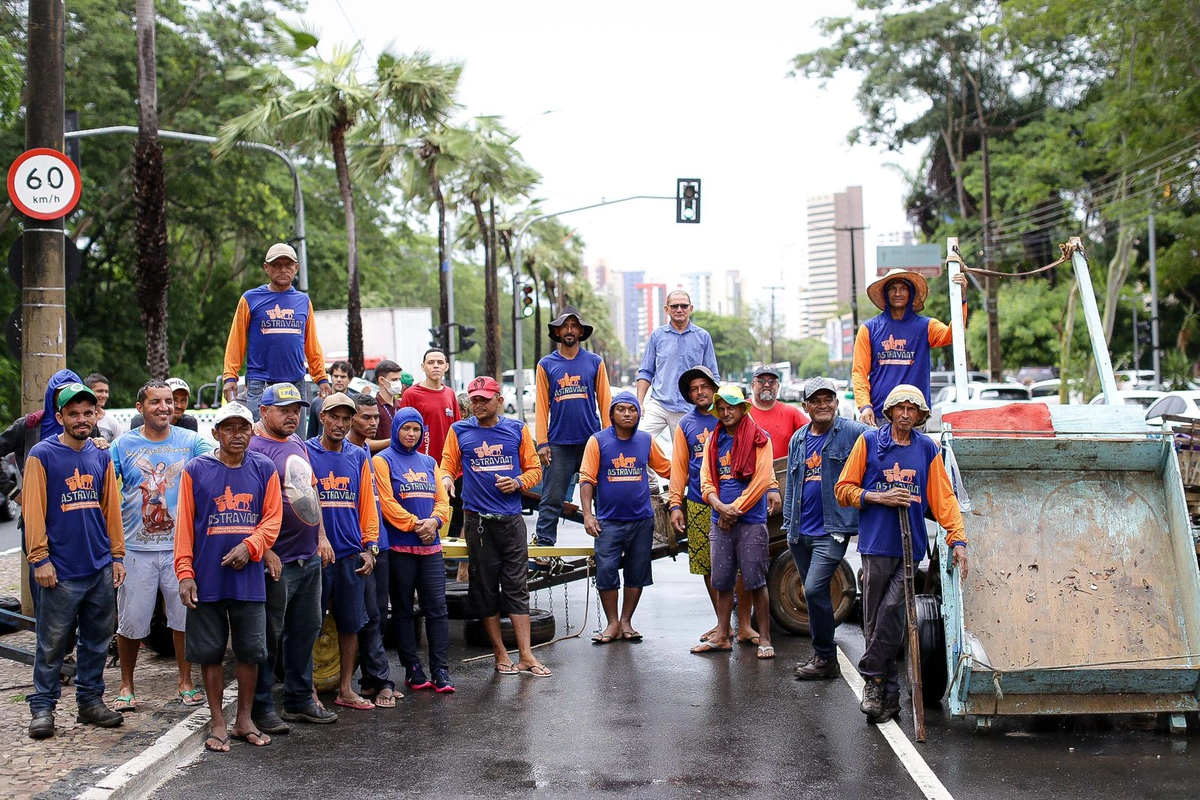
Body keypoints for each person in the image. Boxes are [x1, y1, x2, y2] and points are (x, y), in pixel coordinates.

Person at [835, 384, 968, 723]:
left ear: (920, 416)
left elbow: (944, 499)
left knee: (892, 612)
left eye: (913, 409)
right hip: (877, 544)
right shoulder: (868, 443)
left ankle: (871, 675)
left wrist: (958, 540)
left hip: (911, 548)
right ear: (891, 412)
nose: (906, 414)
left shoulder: (927, 449)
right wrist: (879, 497)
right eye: (901, 408)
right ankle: (888, 695)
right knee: (876, 620)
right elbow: (843, 490)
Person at [174, 401, 282, 752]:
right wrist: (185, 572)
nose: (237, 435)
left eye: (244, 428)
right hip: (206, 576)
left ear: (253, 431)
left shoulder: (264, 468)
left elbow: (272, 520)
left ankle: (244, 718)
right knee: (209, 652)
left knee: (251, 650)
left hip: (248, 577)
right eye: (229, 428)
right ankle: (218, 720)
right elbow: (185, 526)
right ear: (215, 432)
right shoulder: (195, 469)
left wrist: (251, 547)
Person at [24, 382, 126, 739]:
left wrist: (116, 555)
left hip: (98, 565)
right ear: (60, 417)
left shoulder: (100, 455)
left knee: (96, 640)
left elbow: (110, 507)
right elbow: (33, 510)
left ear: (96, 415)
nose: (81, 419)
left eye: (87, 412)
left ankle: (90, 702)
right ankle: (43, 708)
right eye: (73, 413)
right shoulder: (42, 454)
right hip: (61, 569)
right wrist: (40, 559)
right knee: (51, 644)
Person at [111, 380, 215, 712]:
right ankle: (126, 685)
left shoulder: (190, 442)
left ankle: (185, 682)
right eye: (155, 402)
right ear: (140, 407)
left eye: (168, 401)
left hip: (178, 548)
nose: (164, 407)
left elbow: (216, 461)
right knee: (132, 622)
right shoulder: (122, 445)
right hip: (135, 549)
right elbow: (102, 483)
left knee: (183, 617)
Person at [440, 376, 549, 677]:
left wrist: (517, 482)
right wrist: (447, 479)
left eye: (484, 399)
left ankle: (526, 655)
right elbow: (447, 464)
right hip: (478, 523)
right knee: (485, 589)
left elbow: (535, 470)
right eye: (474, 399)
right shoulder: (459, 430)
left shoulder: (516, 429)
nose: (478, 404)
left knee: (517, 587)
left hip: (512, 521)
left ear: (499, 401)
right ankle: (500, 654)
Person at [248, 382, 337, 733]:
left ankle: (299, 699)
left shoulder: (297, 441)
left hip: (308, 555)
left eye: (296, 409)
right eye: (284, 410)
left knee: (306, 630)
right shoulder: (255, 449)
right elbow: (248, 509)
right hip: (277, 561)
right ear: (264, 412)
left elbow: (310, 490)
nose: (292, 415)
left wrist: (322, 536)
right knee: (268, 636)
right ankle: (261, 705)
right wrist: (266, 550)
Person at [783, 377, 868, 680]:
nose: (822, 405)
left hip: (831, 530)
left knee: (814, 588)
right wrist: (788, 527)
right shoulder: (799, 439)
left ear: (835, 402)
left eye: (827, 399)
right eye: (815, 401)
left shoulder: (853, 432)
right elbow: (793, 484)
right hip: (799, 533)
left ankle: (824, 656)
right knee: (813, 595)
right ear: (805, 406)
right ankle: (824, 657)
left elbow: (883, 443)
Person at [304, 392, 383, 711]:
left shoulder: (359, 455)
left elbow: (367, 504)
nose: (339, 424)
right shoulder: (304, 451)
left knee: (352, 624)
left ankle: (346, 689)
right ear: (321, 418)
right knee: (309, 623)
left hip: (351, 553)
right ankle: (306, 687)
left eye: (345, 418)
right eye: (333, 417)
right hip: (314, 555)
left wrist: (370, 547)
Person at [579, 392, 670, 643]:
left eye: (632, 409)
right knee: (606, 571)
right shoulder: (597, 441)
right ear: (611, 414)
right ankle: (612, 623)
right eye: (621, 409)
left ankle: (627, 621)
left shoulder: (645, 440)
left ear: (639, 414)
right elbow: (587, 479)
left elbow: (668, 469)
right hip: (608, 521)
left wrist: (696, 473)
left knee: (636, 571)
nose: (627, 413)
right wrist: (588, 515)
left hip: (642, 520)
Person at [374, 408, 454, 693]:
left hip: (430, 547)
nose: (411, 434)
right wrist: (415, 524)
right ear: (395, 429)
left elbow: (441, 501)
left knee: (437, 609)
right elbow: (386, 502)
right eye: (406, 428)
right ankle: (412, 668)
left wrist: (434, 521)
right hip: (399, 547)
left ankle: (440, 670)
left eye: (416, 429)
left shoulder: (429, 461)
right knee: (404, 609)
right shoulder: (381, 461)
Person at [693, 385, 775, 660]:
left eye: (732, 407)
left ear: (743, 409)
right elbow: (706, 479)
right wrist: (719, 506)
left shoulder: (759, 438)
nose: (727, 413)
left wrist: (733, 510)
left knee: (755, 581)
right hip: (720, 521)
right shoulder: (713, 441)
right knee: (723, 581)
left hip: (750, 521)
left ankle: (764, 637)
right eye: (722, 408)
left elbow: (762, 480)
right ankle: (722, 634)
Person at [222, 242, 332, 419]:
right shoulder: (250, 299)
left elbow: (311, 344)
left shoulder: (303, 301)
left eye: (287, 265)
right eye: (276, 265)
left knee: (295, 442)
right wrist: (230, 377)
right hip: (260, 384)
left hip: (295, 384)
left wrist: (321, 378)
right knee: (259, 441)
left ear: (296, 268)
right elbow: (236, 340)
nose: (282, 269)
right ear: (266, 267)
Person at [534, 305, 612, 550]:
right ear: (557, 332)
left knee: (603, 495)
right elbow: (541, 407)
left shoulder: (594, 362)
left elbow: (605, 401)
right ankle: (545, 546)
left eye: (574, 326)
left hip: (592, 442)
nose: (569, 330)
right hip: (558, 444)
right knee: (552, 498)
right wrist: (543, 443)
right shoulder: (546, 364)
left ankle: (607, 544)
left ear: (580, 331)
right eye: (564, 326)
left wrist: (610, 439)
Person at [852, 268, 968, 426]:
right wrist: (865, 406)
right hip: (880, 415)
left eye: (903, 288)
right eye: (892, 288)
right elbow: (859, 373)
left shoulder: (926, 326)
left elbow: (952, 335)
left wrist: (960, 300)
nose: (897, 293)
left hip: (915, 415)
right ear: (886, 294)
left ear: (911, 293)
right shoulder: (869, 329)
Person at [344, 392, 396, 704]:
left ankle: (369, 680)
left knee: (377, 614)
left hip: (382, 542)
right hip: (357, 545)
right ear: (351, 419)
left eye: (376, 417)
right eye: (367, 417)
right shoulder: (344, 450)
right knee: (365, 616)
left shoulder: (365, 448)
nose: (374, 422)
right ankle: (380, 679)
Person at [668, 366, 721, 640]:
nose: (700, 392)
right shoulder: (686, 425)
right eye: (694, 389)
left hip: (733, 502)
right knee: (707, 565)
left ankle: (738, 622)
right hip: (699, 503)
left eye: (704, 386)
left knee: (737, 566)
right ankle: (722, 623)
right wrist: (676, 504)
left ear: (714, 388)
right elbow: (678, 467)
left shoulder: (728, 414)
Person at [400, 348, 464, 574]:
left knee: (456, 511)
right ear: (423, 367)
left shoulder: (450, 395)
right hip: (422, 468)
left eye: (440, 362)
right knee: (426, 512)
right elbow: (402, 429)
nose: (435, 366)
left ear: (446, 366)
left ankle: (451, 562)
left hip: (451, 469)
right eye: (431, 362)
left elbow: (457, 430)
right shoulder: (412, 394)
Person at [636, 290, 720, 446]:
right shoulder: (657, 336)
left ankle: (677, 471)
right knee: (637, 442)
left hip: (689, 406)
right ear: (666, 309)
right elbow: (646, 372)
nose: (679, 309)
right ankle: (664, 472)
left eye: (683, 305)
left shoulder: (703, 336)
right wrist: (639, 403)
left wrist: (714, 405)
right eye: (674, 306)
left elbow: (713, 374)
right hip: (659, 403)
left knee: (690, 454)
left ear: (691, 308)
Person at [748, 365, 808, 460]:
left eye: (772, 381)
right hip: (748, 473)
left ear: (778, 386)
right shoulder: (742, 410)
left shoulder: (790, 413)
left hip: (782, 472)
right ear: (752, 385)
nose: (767, 385)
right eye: (761, 381)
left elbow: (814, 432)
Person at [307, 360, 357, 438]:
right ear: (331, 377)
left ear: (350, 379)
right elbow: (311, 434)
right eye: (336, 376)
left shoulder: (355, 402)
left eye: (343, 377)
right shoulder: (318, 402)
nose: (339, 379)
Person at [129, 377, 200, 432]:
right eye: (173, 400)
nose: (179, 406)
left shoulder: (189, 423)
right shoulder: (141, 421)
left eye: (183, 401)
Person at [84, 373, 123, 442]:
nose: (104, 395)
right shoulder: (79, 419)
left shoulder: (112, 421)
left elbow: (120, 446)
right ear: (88, 391)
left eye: (106, 392)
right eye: (100, 391)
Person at [373, 360, 405, 443]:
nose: (398, 383)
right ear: (382, 380)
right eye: (394, 380)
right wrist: (394, 441)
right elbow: (366, 443)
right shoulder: (372, 407)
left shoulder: (401, 405)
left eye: (399, 379)